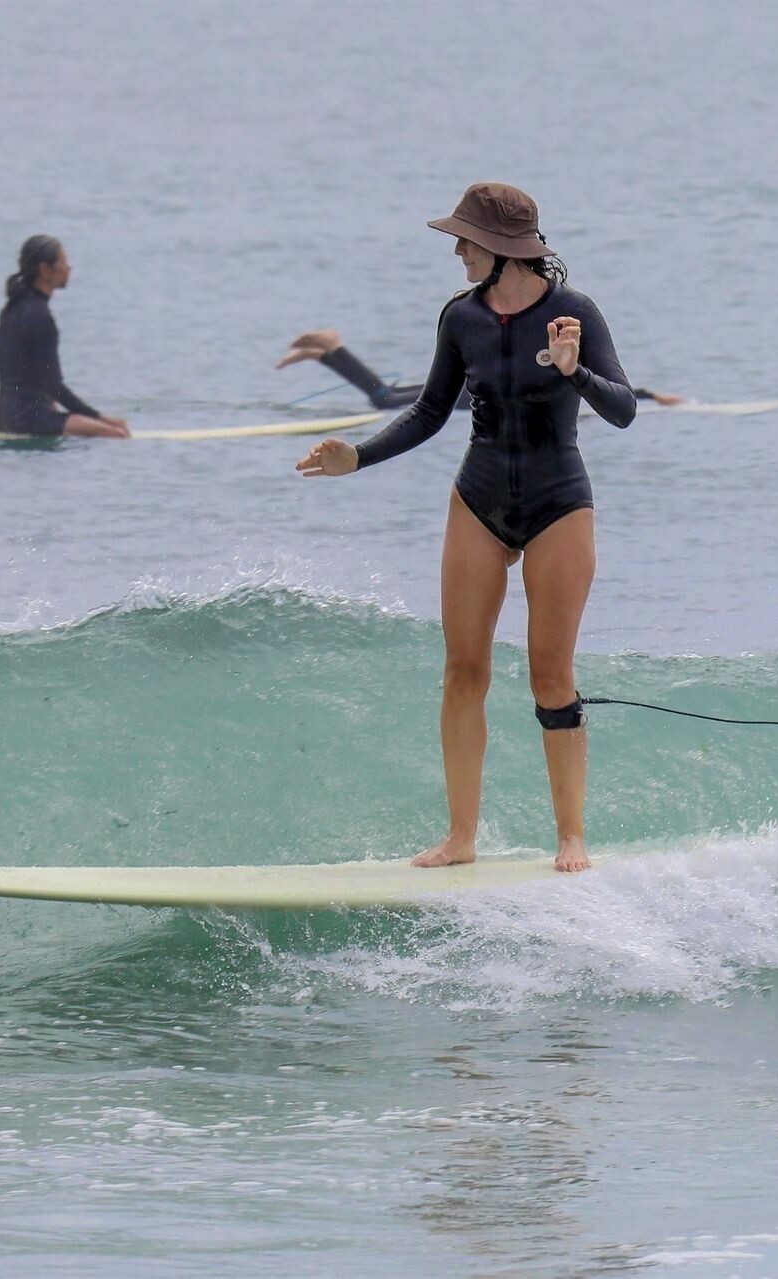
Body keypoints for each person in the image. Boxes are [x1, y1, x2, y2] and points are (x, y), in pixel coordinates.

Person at [296, 182, 635, 874]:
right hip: (478, 498)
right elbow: (429, 411)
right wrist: (357, 457)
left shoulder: (573, 313)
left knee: (550, 676)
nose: (457, 251)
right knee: (462, 670)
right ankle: (460, 837)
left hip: (558, 501)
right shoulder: (462, 317)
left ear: (506, 248)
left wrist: (575, 373)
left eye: (467, 239)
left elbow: (624, 409)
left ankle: (571, 836)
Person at [277, 328, 682, 409]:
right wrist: (650, 396)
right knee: (383, 399)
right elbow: (603, 387)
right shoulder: (560, 376)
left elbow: (603, 386)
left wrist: (649, 396)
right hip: (461, 393)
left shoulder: (557, 371)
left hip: (463, 387)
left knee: (384, 396)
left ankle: (324, 353)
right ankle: (331, 348)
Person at [0, 236, 130, 439]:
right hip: (30, 420)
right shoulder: (40, 316)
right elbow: (53, 385)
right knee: (117, 434)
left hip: (2, 417)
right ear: (45, 270)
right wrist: (100, 417)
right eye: (63, 261)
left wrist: (33, 394)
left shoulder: (13, 307)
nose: (69, 268)